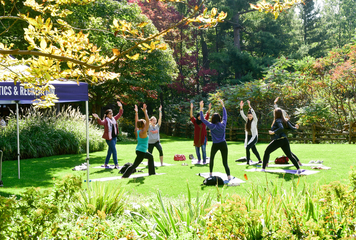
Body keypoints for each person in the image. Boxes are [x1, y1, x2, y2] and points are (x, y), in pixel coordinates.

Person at [262, 108, 304, 174]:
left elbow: (281, 128)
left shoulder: (278, 120)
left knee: (266, 152)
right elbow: (293, 128)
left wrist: (273, 132)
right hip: (285, 140)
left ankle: (263, 168)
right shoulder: (285, 120)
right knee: (289, 155)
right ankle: (298, 169)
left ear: (276, 114)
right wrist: (296, 127)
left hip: (278, 141)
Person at [199, 100, 232, 183]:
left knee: (212, 159)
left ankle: (210, 174)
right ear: (219, 118)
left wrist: (201, 108)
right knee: (225, 162)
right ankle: (228, 176)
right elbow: (225, 116)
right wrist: (223, 105)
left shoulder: (212, 126)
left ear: (213, 119)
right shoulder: (223, 124)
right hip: (223, 144)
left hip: (215, 145)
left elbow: (202, 119)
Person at [122, 104, 156, 178]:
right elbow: (147, 120)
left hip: (140, 150)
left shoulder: (137, 130)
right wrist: (145, 111)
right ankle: (124, 176)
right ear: (143, 125)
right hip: (141, 152)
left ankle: (152, 173)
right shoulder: (143, 132)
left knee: (150, 157)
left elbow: (136, 121)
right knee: (134, 165)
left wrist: (136, 113)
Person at [92, 101, 123, 169]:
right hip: (109, 139)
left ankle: (105, 163)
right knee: (114, 151)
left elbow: (120, 113)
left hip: (114, 138)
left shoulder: (114, 119)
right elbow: (100, 122)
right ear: (107, 115)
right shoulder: (106, 121)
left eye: (112, 113)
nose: (111, 114)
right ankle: (116, 164)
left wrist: (120, 106)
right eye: (110, 113)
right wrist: (97, 117)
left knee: (110, 151)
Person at [274, 97, 302, 166]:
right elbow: (277, 110)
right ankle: (298, 163)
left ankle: (298, 163)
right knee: (289, 153)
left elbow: (291, 125)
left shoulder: (284, 120)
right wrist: (275, 103)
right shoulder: (279, 119)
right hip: (280, 137)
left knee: (289, 153)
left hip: (282, 137)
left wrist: (295, 127)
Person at [240, 100, 262, 165]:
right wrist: (241, 107)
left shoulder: (255, 120)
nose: (249, 117)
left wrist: (250, 106)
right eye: (249, 116)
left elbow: (254, 114)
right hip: (249, 137)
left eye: (250, 116)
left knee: (247, 148)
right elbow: (242, 114)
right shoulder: (247, 120)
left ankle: (248, 161)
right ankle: (260, 160)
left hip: (254, 137)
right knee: (253, 149)